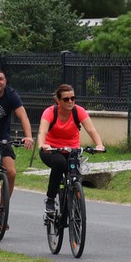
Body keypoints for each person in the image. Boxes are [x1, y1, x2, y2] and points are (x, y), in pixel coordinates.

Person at [37, 84, 106, 215]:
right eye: (66, 99)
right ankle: (50, 199)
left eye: (73, 98)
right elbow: (42, 131)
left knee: (75, 175)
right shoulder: (50, 112)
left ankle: (74, 200)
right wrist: (42, 145)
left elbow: (91, 130)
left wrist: (99, 145)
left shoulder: (78, 111)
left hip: (72, 150)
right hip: (51, 149)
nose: (70, 102)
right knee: (59, 163)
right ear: (58, 100)